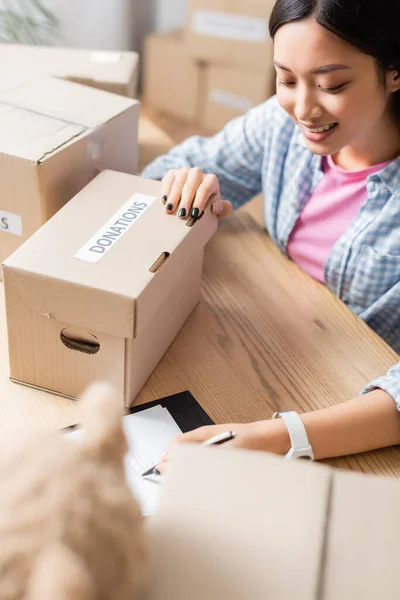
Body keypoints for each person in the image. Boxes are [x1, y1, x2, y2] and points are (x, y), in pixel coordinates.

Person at [142, 0, 400, 461]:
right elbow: (167, 170)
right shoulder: (281, 126)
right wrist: (188, 186)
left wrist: (279, 438)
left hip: (357, 410)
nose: (303, 108)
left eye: (331, 84)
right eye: (286, 79)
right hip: (281, 345)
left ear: (394, 71)